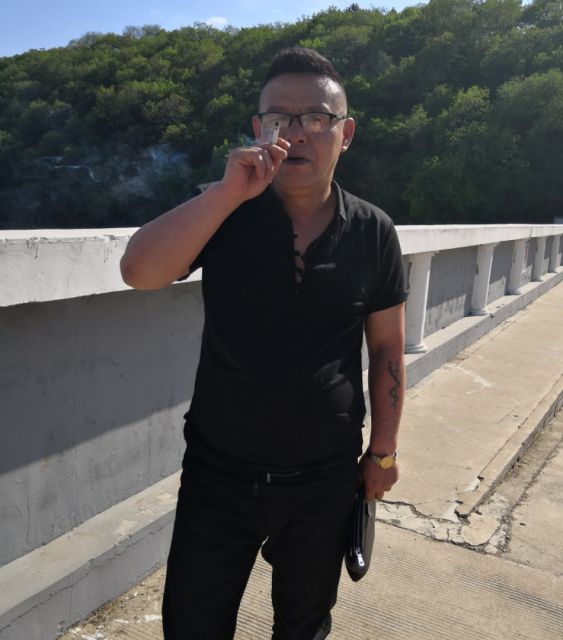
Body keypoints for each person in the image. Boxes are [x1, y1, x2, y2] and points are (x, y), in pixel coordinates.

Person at [120, 46, 407, 640]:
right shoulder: (224, 211)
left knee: (303, 627)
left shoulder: (373, 231)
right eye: (279, 118)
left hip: (325, 478)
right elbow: (139, 271)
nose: (296, 133)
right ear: (258, 129)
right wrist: (227, 194)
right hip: (218, 473)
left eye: (317, 118)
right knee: (193, 626)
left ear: (346, 133)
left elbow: (386, 350)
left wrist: (382, 452)